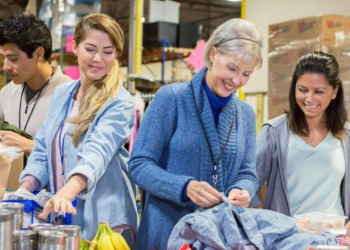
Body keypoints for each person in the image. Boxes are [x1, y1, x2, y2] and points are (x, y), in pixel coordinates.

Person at [129, 18, 263, 250]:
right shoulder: (171, 98)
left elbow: (248, 173)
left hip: (218, 236)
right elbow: (139, 164)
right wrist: (184, 187)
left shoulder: (246, 114)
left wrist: (243, 190)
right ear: (213, 54)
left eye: (246, 74)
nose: (236, 81)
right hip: (165, 232)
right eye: (231, 68)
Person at [18, 13, 138, 240]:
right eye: (90, 49)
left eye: (108, 52)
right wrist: (25, 189)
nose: (98, 59)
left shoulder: (119, 102)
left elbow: (96, 154)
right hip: (64, 212)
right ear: (75, 46)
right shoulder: (63, 93)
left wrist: (66, 192)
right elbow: (43, 147)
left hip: (104, 221)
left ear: (116, 55)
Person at [250, 52, 350, 226]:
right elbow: (247, 182)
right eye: (302, 90)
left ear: (334, 92)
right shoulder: (273, 133)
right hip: (286, 239)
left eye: (319, 91)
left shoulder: (346, 136)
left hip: (333, 240)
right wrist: (263, 219)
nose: (309, 98)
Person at [0, 14, 72, 155]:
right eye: (3, 58)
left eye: (13, 58)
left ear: (38, 53)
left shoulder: (71, 95)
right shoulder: (6, 93)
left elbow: (77, 151)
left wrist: (31, 146)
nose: (6, 67)